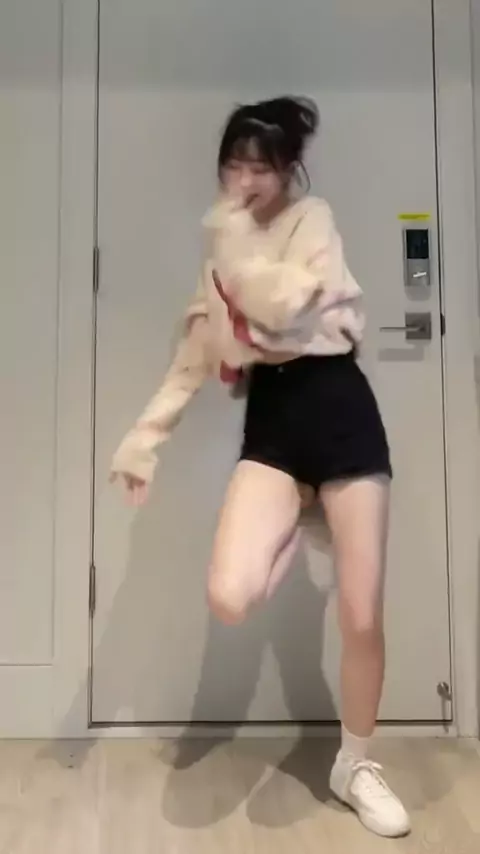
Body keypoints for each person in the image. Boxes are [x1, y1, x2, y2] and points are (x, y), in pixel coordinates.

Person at [111, 96, 410, 838]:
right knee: (230, 595)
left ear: (287, 171)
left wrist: (234, 247)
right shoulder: (223, 254)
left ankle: (356, 764)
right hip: (274, 426)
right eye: (234, 165)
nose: (244, 181)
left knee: (361, 614)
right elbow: (197, 355)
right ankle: (302, 515)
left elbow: (290, 304)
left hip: (341, 413)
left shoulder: (312, 222)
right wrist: (142, 442)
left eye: (261, 167)